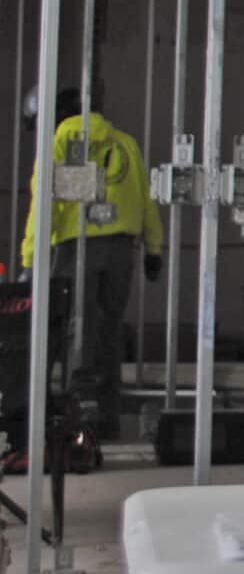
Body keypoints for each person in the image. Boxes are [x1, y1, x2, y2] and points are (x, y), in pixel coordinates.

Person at [21, 88, 162, 439]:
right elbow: (146, 199)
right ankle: (107, 420)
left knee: (76, 331)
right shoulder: (126, 143)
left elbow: (46, 208)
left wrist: (30, 259)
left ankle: (77, 423)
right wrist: (153, 248)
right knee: (110, 333)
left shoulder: (61, 143)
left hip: (76, 247)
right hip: (121, 251)